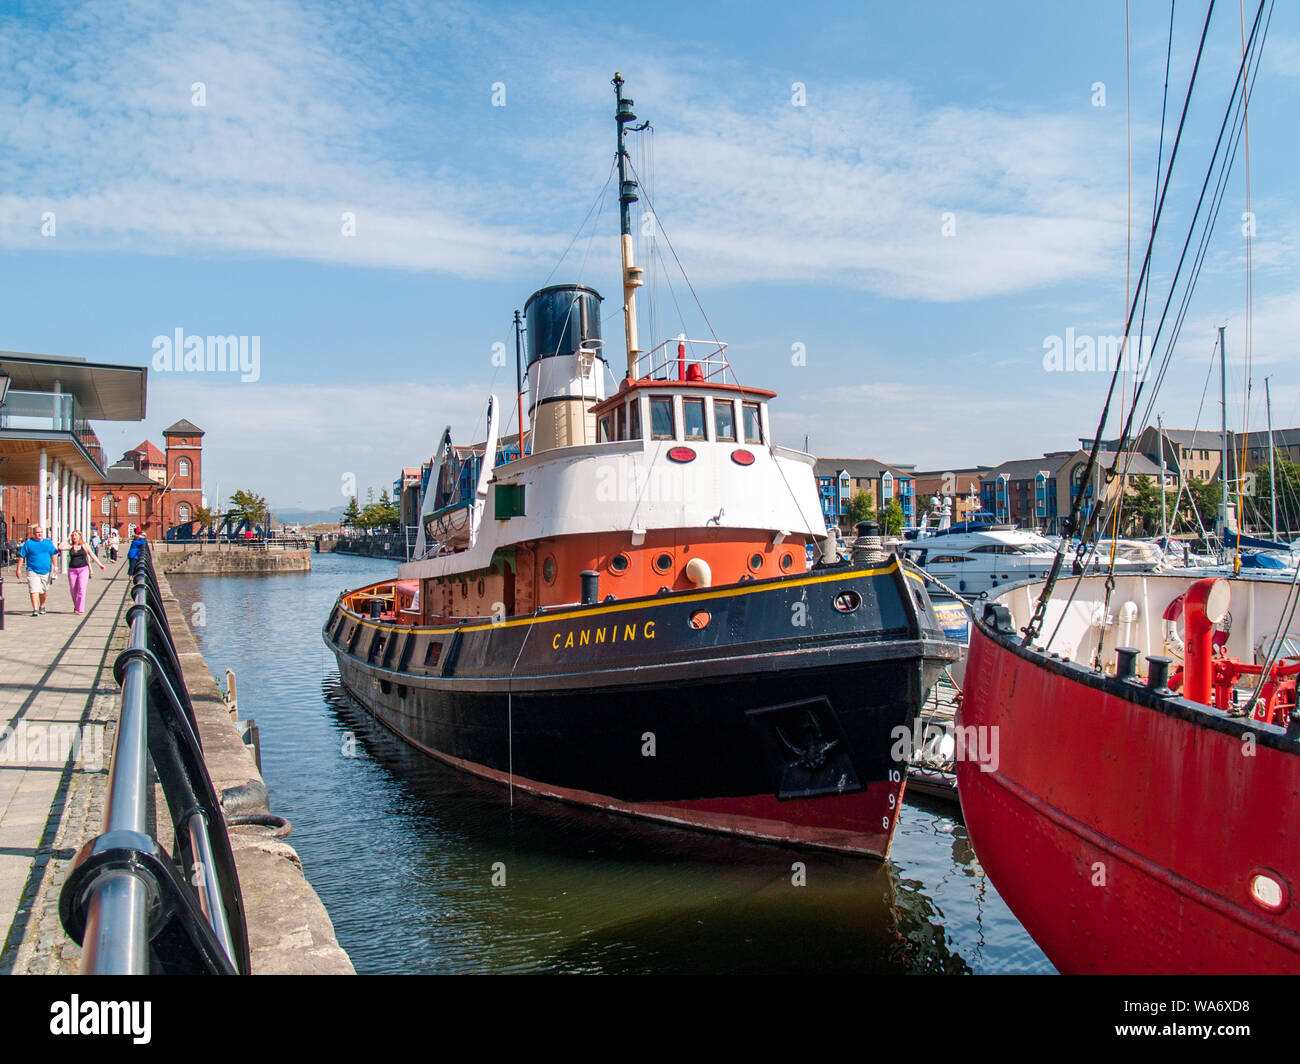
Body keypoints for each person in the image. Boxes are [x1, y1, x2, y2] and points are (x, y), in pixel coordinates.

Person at [16, 525, 60, 616]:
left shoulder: (48, 543)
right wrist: (18, 569)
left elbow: (53, 555)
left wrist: (55, 566)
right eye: (37, 532)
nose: (39, 534)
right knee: (33, 590)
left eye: (40, 532)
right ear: (34, 534)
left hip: (45, 571)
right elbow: (21, 556)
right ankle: (35, 609)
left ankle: (42, 606)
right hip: (32, 570)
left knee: (43, 591)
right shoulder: (28, 543)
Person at [59, 529, 106, 614]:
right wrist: (67, 537)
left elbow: (92, 555)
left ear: (80, 536)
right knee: (73, 590)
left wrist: (100, 564)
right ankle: (76, 606)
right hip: (72, 570)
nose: (74, 537)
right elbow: (60, 547)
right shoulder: (70, 546)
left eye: (76, 535)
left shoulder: (85, 545)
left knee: (81, 589)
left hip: (83, 569)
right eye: (73, 536)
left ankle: (80, 609)